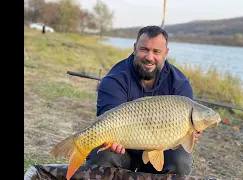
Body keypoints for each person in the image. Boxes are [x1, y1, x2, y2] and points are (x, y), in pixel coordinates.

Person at [85, 25, 203, 175]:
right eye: (144, 49)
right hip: (122, 152)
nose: (149, 57)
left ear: (166, 53)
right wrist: (111, 141)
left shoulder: (179, 85)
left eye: (156, 52)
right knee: (103, 153)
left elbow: (184, 139)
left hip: (161, 154)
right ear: (135, 48)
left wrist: (189, 136)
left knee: (181, 158)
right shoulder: (114, 79)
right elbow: (106, 122)